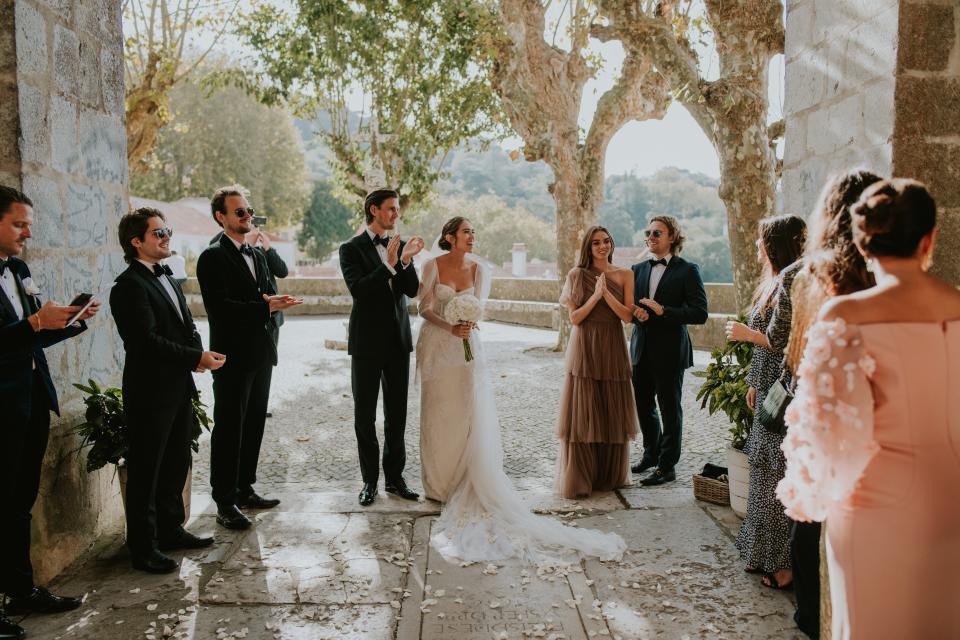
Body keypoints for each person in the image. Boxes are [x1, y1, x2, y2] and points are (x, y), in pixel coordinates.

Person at [778, 178, 960, 640]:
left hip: (877, 504)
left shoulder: (847, 316)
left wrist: (811, 493)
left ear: (863, 243)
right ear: (929, 239)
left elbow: (828, 431)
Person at [417, 217, 626, 564]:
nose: (473, 236)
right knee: (438, 414)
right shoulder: (431, 266)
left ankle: (464, 478)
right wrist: (449, 325)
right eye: (467, 231)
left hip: (467, 349)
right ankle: (437, 485)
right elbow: (424, 307)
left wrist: (465, 325)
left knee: (466, 415)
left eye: (474, 231)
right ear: (450, 236)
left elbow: (478, 311)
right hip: (439, 347)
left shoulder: (479, 270)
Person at [782, 169, 882, 638]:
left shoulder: (816, 281)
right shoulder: (881, 283)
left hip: (835, 444)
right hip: (880, 441)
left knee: (819, 557)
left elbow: (799, 360)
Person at [0, 186, 99, 640]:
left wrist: (70, 322)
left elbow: (28, 338)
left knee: (19, 503)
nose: (27, 233)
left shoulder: (18, 269)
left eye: (29, 225)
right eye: (19, 224)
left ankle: (20, 590)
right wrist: (35, 323)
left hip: (32, 402)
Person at [110, 208, 225, 574]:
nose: (166, 238)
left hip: (179, 385)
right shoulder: (128, 286)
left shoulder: (168, 277)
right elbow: (145, 342)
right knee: (146, 468)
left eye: (167, 231)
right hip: (149, 391)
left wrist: (196, 353)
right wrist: (196, 357)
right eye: (158, 233)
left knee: (177, 459)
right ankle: (143, 547)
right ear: (136, 241)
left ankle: (171, 529)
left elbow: (185, 323)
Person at [196, 185, 301, 530]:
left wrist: (272, 303)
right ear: (221, 217)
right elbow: (220, 309)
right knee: (229, 427)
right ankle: (225, 500)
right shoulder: (212, 257)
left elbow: (263, 294)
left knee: (254, 421)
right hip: (231, 355)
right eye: (239, 212)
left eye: (248, 210)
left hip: (260, 351)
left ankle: (245, 487)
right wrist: (266, 305)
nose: (247, 216)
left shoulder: (256, 255)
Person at [725, 215, 807, 592]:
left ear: (774, 244)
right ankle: (759, 552)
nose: (756, 247)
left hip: (782, 387)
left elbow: (779, 341)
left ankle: (782, 562)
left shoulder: (791, 282)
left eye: (761, 241)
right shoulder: (774, 282)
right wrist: (753, 382)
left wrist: (745, 334)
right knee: (760, 469)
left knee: (773, 472)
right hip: (766, 385)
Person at [339, 189, 425, 506]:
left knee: (396, 414)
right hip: (366, 343)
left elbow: (412, 290)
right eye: (391, 209)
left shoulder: (400, 246)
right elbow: (359, 290)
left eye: (397, 209)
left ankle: (395, 477)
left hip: (398, 341)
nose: (396, 214)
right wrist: (388, 266)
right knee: (364, 414)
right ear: (374, 210)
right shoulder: (350, 249)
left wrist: (404, 260)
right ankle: (369, 481)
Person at [556, 225, 639, 498]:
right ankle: (582, 476)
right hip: (585, 344)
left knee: (610, 406)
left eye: (606, 241)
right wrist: (594, 296)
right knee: (584, 409)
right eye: (596, 243)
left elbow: (627, 316)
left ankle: (608, 475)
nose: (602, 246)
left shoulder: (625, 274)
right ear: (588, 248)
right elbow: (575, 318)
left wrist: (606, 295)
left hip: (613, 342)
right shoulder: (576, 275)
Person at [629, 215, 708, 486]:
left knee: (669, 408)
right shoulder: (636, 269)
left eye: (657, 233)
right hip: (640, 349)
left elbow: (700, 313)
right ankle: (650, 454)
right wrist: (636, 314)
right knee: (643, 406)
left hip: (670, 351)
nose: (650, 237)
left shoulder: (688, 270)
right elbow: (630, 309)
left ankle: (667, 466)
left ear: (672, 237)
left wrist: (664, 311)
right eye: (648, 232)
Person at [212, 224, 289, 419]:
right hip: (242, 326)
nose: (250, 222)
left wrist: (268, 248)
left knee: (265, 364)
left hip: (271, 319)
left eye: (251, 216)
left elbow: (282, 271)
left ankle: (258, 404)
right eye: (242, 214)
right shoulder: (221, 247)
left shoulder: (262, 252)